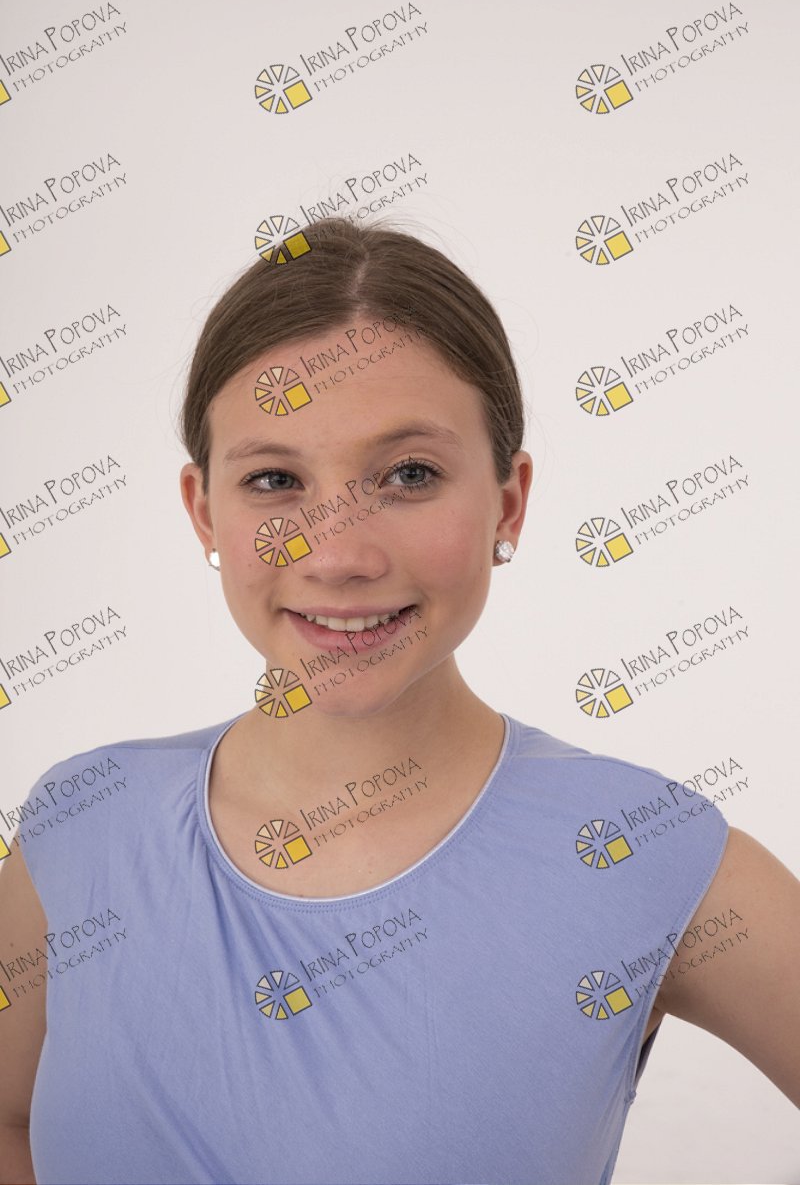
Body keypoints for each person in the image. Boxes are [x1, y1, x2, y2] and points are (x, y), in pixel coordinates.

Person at [0, 217, 798, 1185]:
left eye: (409, 475)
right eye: (274, 480)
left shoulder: (639, 849)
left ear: (508, 502)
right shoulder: (81, 823)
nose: (338, 554)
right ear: (205, 510)